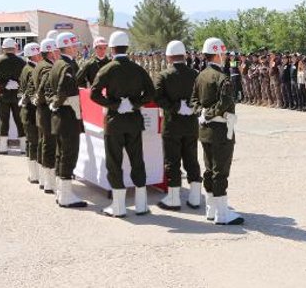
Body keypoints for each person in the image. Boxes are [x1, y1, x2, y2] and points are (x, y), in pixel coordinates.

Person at [91, 31, 155, 217]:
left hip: (114, 122)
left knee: (114, 162)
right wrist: (133, 104)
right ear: (127, 47)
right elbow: (151, 93)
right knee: (137, 160)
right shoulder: (138, 69)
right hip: (134, 121)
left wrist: (115, 105)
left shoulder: (107, 69)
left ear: (111, 48)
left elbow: (94, 93)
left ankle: (118, 207)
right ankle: (141, 205)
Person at [190, 37, 244, 225]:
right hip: (221, 130)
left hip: (205, 130)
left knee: (209, 169)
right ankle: (222, 215)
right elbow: (226, 102)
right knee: (220, 171)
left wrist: (202, 113)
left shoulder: (200, 76)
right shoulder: (223, 78)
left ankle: (211, 210)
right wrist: (211, 113)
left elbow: (193, 101)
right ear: (218, 53)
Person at [153, 40, 201, 211]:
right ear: (184, 55)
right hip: (191, 125)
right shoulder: (195, 74)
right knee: (192, 159)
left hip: (172, 125)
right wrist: (191, 108)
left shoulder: (163, 75)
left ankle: (173, 199)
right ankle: (195, 198)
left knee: (172, 161)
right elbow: (202, 97)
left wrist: (176, 107)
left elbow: (157, 97)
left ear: (168, 57)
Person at [48, 32, 87, 208]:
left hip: (60, 115)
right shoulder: (67, 65)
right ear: (68, 46)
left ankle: (61, 191)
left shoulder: (57, 64)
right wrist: (57, 102)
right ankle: (65, 195)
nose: (77, 48)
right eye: (75, 45)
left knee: (60, 153)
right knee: (69, 154)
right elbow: (64, 89)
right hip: (68, 115)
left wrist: (54, 103)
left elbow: (50, 88)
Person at [0, 37, 27, 154]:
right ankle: (23, 147)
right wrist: (18, 84)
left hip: (3, 95)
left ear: (3, 49)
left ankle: (3, 147)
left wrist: (4, 84)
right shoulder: (22, 62)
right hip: (18, 96)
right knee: (20, 120)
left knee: (3, 120)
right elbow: (27, 78)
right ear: (15, 48)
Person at [34, 38, 59, 194]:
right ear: (50, 51)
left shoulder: (40, 65)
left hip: (41, 111)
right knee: (49, 145)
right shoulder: (47, 68)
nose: (58, 53)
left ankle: (44, 179)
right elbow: (44, 91)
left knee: (44, 143)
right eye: (56, 50)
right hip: (47, 111)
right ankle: (49, 182)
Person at [19, 42, 42, 182]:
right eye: (39, 54)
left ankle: (34, 174)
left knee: (32, 142)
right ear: (33, 55)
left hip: (28, 111)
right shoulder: (31, 70)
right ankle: (35, 175)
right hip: (31, 111)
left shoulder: (28, 68)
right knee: (33, 143)